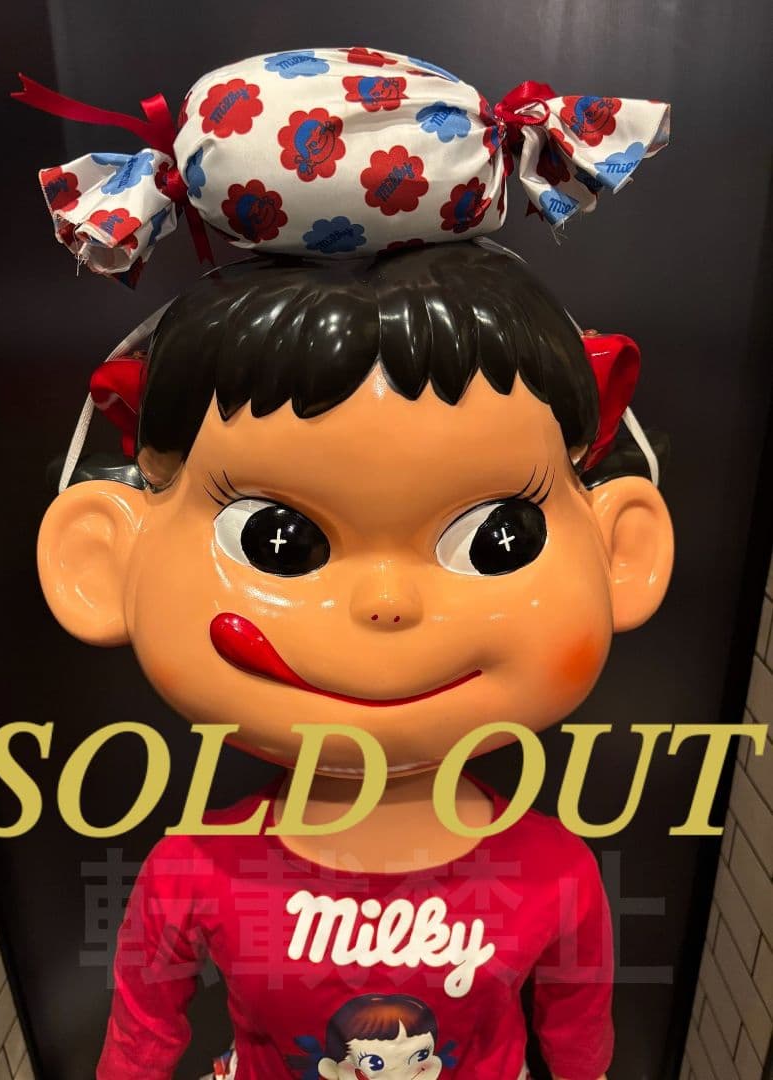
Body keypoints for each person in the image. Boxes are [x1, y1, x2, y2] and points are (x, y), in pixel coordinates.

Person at [36, 241, 674, 1079]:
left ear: (621, 551)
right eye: (278, 538)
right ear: (104, 561)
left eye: (498, 536)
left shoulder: (556, 876)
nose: (387, 601)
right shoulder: (192, 871)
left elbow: (580, 1042)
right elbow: (139, 1042)